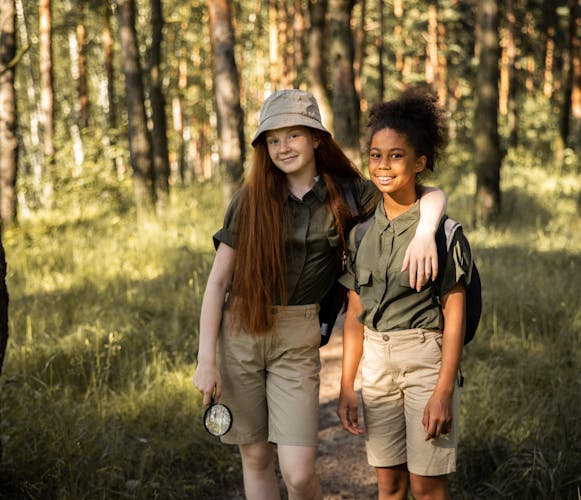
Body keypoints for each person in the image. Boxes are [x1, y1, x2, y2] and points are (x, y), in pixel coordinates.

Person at [192, 89, 448, 500]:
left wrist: (424, 231)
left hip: (298, 336)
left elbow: (429, 194)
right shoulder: (250, 200)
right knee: (256, 459)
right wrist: (207, 361)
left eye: (293, 135)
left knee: (297, 473)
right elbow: (217, 283)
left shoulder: (348, 193)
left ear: (315, 138)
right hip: (240, 330)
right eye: (272, 139)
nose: (283, 147)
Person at [337, 89, 473, 500]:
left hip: (424, 364)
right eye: (376, 155)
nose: (383, 165)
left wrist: (443, 391)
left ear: (420, 163)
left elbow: (454, 317)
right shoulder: (361, 233)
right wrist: (347, 384)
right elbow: (355, 314)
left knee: (427, 487)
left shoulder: (443, 234)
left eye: (396, 156)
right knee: (389, 485)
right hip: (377, 367)